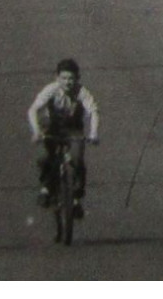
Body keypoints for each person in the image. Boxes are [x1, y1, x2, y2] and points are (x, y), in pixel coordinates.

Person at [28, 59, 100, 215]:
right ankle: (46, 188)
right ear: (57, 78)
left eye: (71, 78)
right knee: (49, 157)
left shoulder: (81, 92)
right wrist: (36, 131)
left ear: (77, 78)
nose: (68, 82)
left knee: (77, 159)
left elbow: (93, 111)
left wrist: (93, 133)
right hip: (53, 128)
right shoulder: (51, 90)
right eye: (64, 78)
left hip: (73, 129)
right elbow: (33, 110)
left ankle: (75, 198)